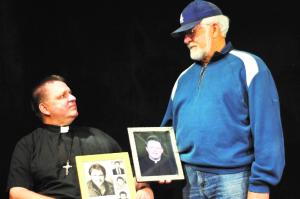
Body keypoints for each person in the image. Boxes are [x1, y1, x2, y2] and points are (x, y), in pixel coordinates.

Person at [160, 0, 285, 198]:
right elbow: (166, 131)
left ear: (215, 28)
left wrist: (261, 185)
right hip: (189, 180)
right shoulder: (183, 78)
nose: (186, 39)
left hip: (233, 181)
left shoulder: (249, 66)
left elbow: (268, 131)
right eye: (184, 34)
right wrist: (159, 167)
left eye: (191, 31)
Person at [7, 75, 153, 199]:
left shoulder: (98, 137)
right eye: (62, 96)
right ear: (44, 108)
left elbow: (132, 179)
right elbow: (17, 192)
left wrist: (145, 190)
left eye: (70, 93)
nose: (73, 98)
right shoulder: (28, 144)